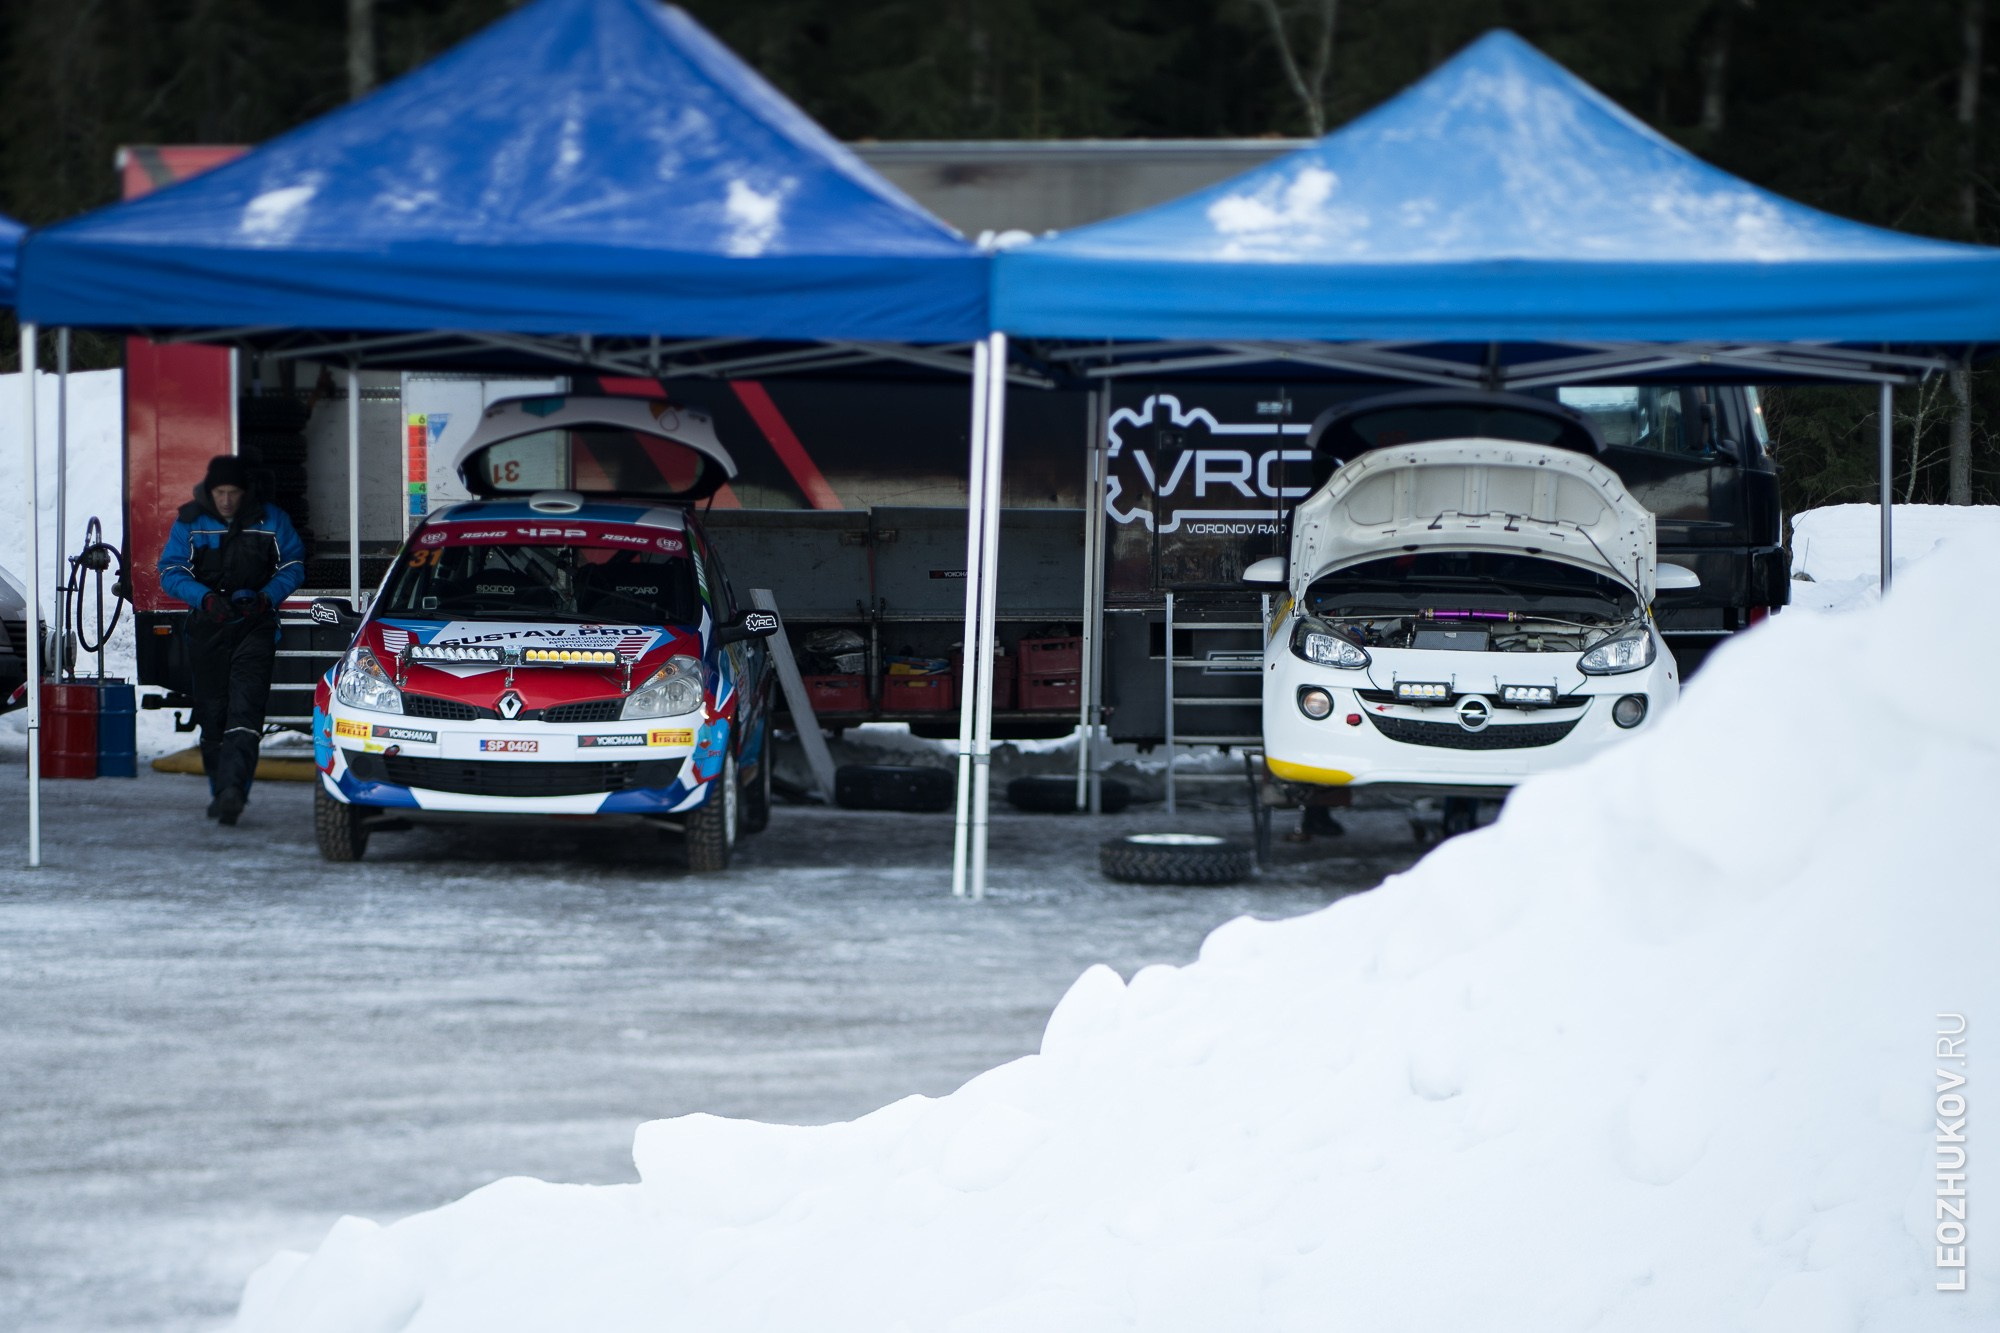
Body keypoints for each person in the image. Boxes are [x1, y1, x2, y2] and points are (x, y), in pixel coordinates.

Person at [157, 456, 306, 825]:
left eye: (233, 493)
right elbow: (170, 570)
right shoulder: (190, 521)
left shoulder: (273, 519)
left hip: (255, 626)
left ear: (244, 492)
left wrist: (266, 597)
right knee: (213, 715)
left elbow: (293, 565)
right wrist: (205, 598)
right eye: (220, 493)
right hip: (208, 626)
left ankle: (233, 793)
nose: (226, 500)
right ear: (210, 492)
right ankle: (220, 789)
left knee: (245, 711)